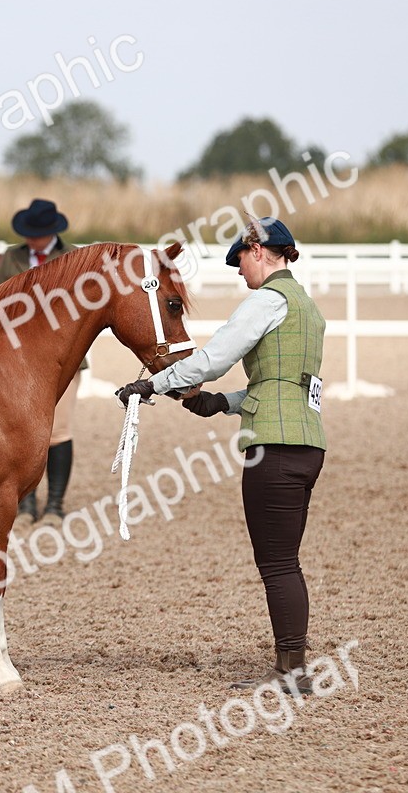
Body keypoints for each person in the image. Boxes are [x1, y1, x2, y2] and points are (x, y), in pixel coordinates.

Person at [116, 217, 326, 694]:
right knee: (286, 560)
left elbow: (213, 360)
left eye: (240, 261)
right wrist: (218, 404)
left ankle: (291, 672)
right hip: (307, 443)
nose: (238, 273)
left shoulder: (266, 301)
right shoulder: (308, 309)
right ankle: (292, 667)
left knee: (276, 564)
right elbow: (280, 385)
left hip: (272, 448)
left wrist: (154, 382)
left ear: (258, 251)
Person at [0, 199, 84, 529]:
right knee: (20, 434)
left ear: (51, 233)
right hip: (16, 361)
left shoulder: (75, 258)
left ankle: (55, 504)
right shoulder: (11, 258)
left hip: (63, 359)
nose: (32, 240)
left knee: (58, 432)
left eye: (38, 234)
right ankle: (26, 503)